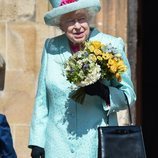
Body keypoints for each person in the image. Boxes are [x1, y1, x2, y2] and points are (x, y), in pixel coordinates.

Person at [28, 0, 136, 158]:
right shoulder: (51, 47)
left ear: (89, 17)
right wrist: (37, 142)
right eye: (70, 21)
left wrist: (104, 92)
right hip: (56, 145)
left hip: (96, 144)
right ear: (61, 25)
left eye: (81, 19)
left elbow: (128, 96)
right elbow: (42, 99)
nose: (77, 26)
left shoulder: (111, 45)